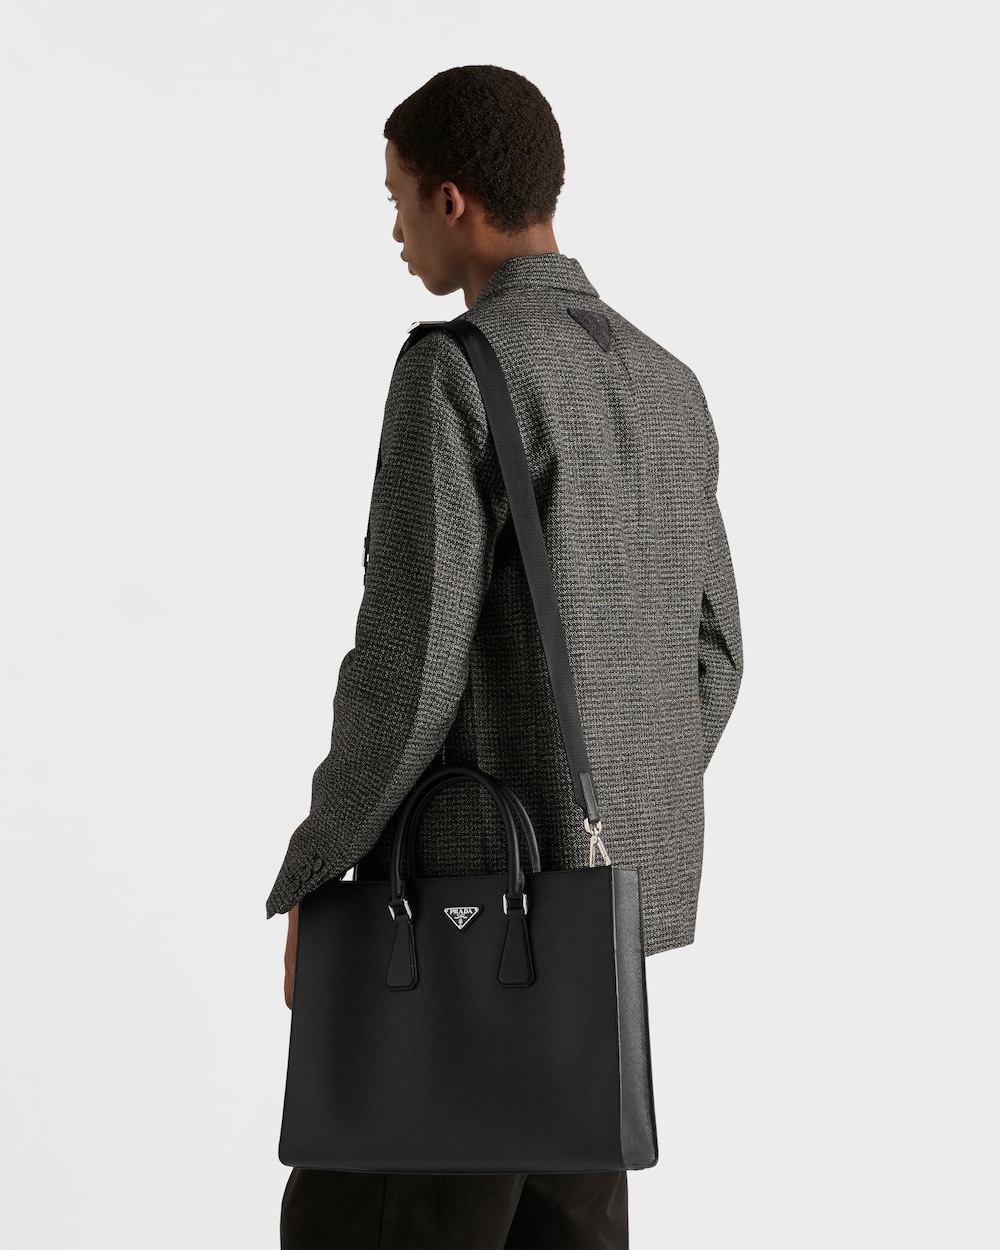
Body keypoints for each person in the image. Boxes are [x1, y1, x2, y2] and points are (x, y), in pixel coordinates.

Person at [267, 64, 743, 1250]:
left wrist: (319, 866)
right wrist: (604, 822)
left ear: (454, 200)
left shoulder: (457, 369)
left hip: (450, 943)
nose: (394, 229)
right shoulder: (667, 383)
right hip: (589, 965)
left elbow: (408, 665)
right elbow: (715, 651)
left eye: (397, 198)